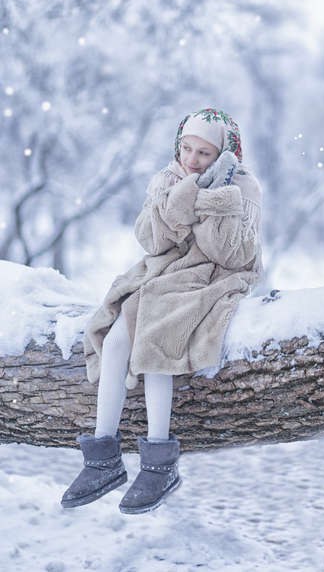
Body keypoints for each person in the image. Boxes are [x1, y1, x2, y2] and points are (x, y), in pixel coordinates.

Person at [61, 108, 263, 515]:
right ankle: (102, 459)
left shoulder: (242, 187)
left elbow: (233, 253)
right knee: (116, 340)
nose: (191, 160)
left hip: (208, 276)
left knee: (157, 339)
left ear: (224, 154)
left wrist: (212, 202)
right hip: (163, 273)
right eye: (187, 148)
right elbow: (151, 242)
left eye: (204, 153)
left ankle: (158, 464)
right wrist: (178, 203)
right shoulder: (168, 179)